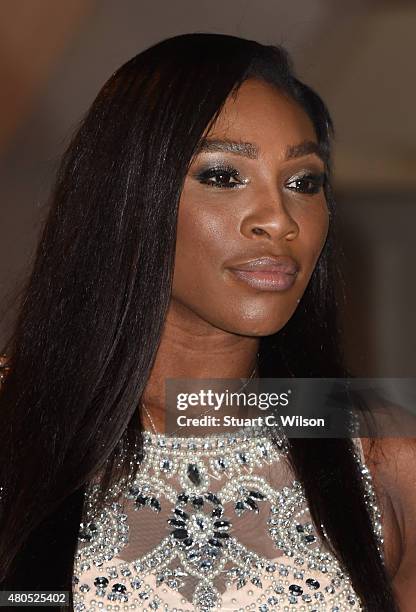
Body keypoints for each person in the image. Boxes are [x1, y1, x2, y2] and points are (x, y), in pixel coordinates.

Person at [0, 32, 414, 612]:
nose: (279, 219)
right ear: (127, 195)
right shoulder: (15, 426)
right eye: (223, 176)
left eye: (304, 182)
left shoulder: (383, 453)